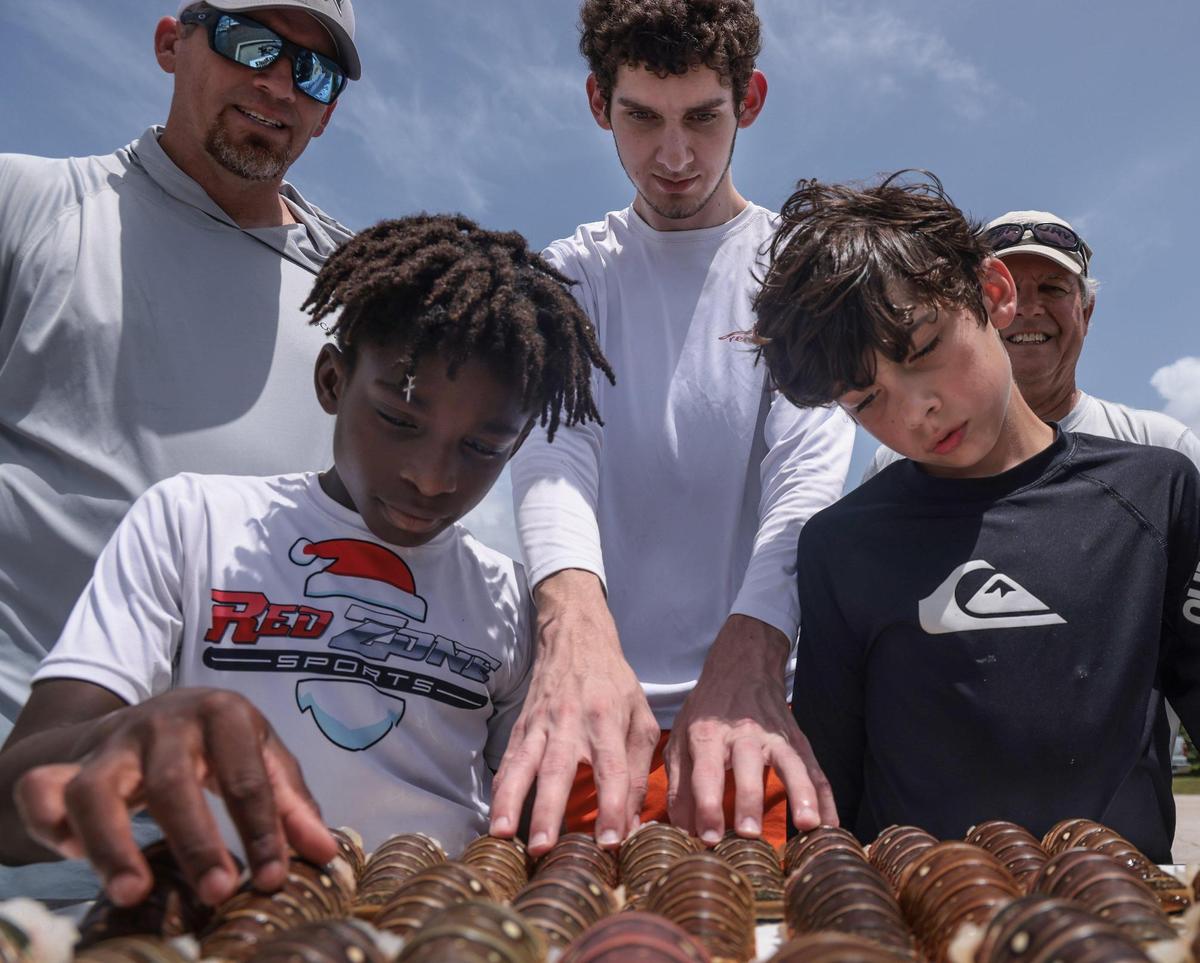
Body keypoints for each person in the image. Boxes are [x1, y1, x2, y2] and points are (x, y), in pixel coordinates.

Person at [0, 214, 615, 909]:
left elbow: (531, 825)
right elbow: (10, 811)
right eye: (400, 420)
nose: (433, 477)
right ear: (332, 380)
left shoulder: (508, 599)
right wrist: (124, 736)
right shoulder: (193, 522)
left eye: (482, 448)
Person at [752, 173, 1200, 862]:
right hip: (918, 926)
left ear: (992, 293)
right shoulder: (840, 546)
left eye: (922, 350)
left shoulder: (1155, 492)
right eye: (868, 400)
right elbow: (828, 801)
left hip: (1126, 924)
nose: (914, 411)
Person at [494, 0, 855, 855]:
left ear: (751, 100)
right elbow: (553, 458)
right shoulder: (566, 276)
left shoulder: (794, 273)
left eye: (703, 116)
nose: (674, 156)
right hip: (587, 701)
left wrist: (753, 653)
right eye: (641, 118)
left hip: (753, 702)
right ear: (597, 103)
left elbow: (804, 480)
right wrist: (573, 634)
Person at [0, 0, 361, 745]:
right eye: (251, 43)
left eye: (315, 71)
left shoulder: (363, 297)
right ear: (172, 43)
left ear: (327, 116)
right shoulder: (25, 206)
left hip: (241, 813)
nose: (280, 85)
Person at [863, 210, 1200, 479]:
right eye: (1003, 292)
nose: (1027, 307)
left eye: (1052, 289)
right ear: (978, 308)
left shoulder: (1163, 448)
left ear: (1086, 310)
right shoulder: (897, 465)